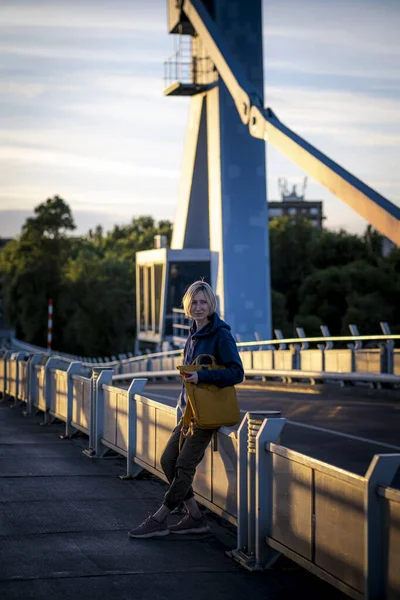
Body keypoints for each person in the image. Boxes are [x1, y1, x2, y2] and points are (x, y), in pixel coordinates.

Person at [128, 280, 244, 538]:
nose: (199, 307)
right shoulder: (192, 332)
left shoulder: (220, 334)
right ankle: (194, 516)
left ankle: (160, 517)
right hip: (188, 412)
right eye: (194, 302)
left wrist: (203, 378)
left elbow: (237, 372)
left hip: (207, 415)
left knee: (183, 464)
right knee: (168, 460)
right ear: (187, 305)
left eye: (204, 302)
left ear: (211, 304)